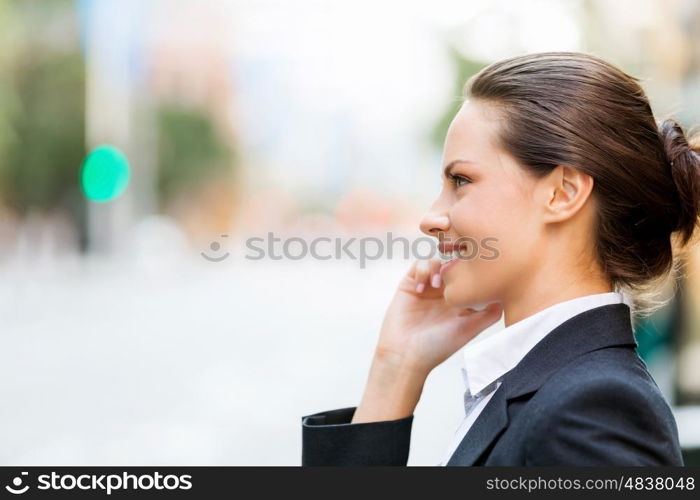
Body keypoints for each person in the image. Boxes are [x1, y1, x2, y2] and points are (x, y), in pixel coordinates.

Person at [301, 51, 698, 466]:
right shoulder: (553, 387)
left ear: (562, 193)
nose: (430, 218)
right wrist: (396, 367)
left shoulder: (594, 411)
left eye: (461, 180)